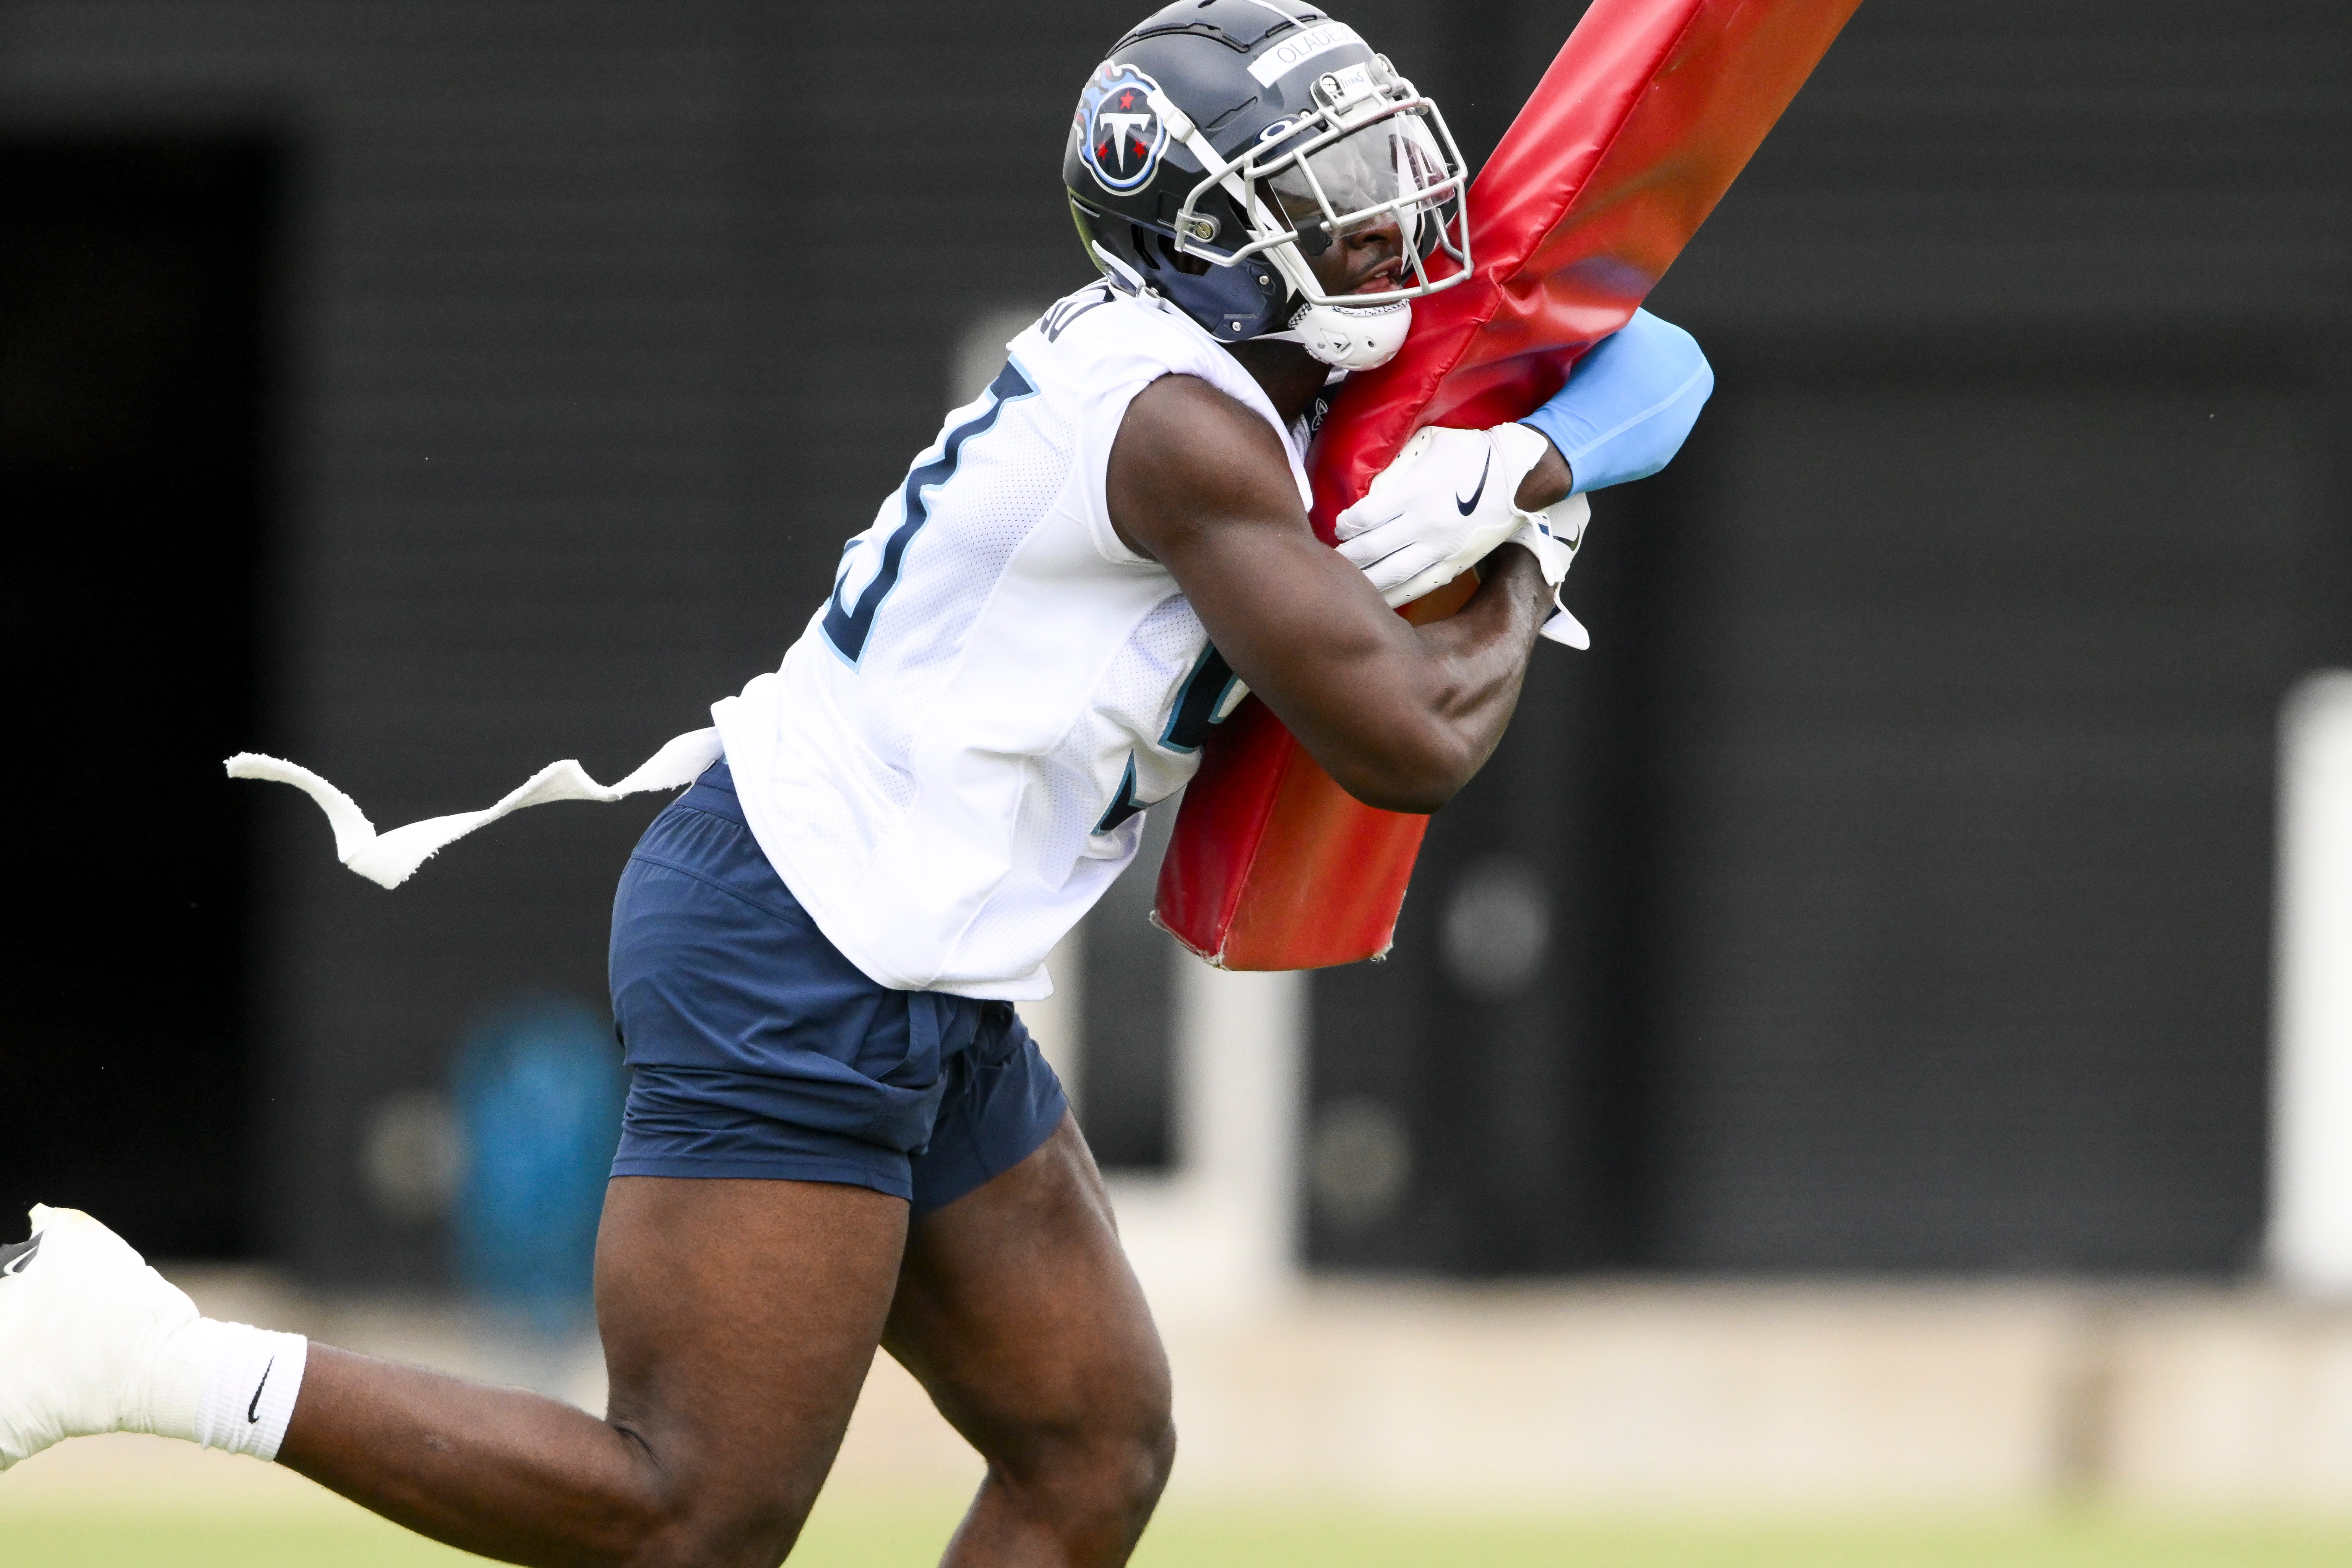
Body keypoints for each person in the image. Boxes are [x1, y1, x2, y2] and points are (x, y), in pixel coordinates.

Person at [0, 4, 1709, 1564]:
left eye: (1379, 161)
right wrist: (1532, 545)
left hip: (925, 966)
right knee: (692, 1513)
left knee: (1092, 1452)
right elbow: (1407, 743)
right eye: (1327, 188)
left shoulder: (1261, 380)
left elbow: (1662, 359)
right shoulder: (1180, 422)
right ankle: (141, 1354)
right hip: (801, 938)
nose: (1393, 216)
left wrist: (1532, 453)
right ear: (1202, 238)